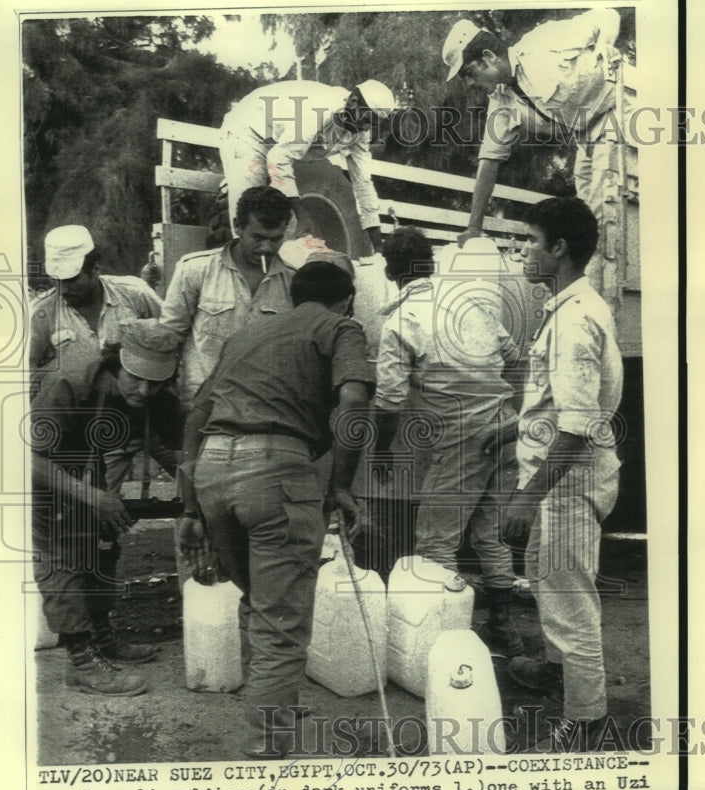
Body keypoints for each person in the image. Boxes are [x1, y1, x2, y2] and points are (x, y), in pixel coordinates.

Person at [179, 262, 374, 758]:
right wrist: (342, 484)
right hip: (276, 472)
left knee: (259, 598)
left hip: (213, 469)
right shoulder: (342, 327)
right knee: (280, 625)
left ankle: (272, 700)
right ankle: (266, 747)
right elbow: (354, 404)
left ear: (291, 297)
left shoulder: (248, 333)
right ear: (346, 300)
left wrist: (190, 506)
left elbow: (197, 414)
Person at [502, 197, 623, 750]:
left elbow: (575, 427)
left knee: (570, 601)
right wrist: (509, 435)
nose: (523, 250)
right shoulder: (570, 306)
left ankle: (588, 718)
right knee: (546, 581)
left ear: (559, 249)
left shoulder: (575, 319)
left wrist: (527, 499)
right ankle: (558, 672)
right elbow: (556, 407)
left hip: (566, 484)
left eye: (531, 240)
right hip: (559, 480)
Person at [370, 227, 524, 656]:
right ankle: (503, 626)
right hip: (506, 431)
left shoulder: (401, 321)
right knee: (491, 535)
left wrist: (381, 451)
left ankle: (446, 641)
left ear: (389, 272)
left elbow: (389, 401)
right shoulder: (468, 303)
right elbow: (515, 359)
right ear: (432, 264)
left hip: (461, 442)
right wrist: (508, 415)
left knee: (436, 542)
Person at [30, 320, 185, 696]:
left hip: (84, 459)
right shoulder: (71, 380)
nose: (144, 390)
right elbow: (27, 459)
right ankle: (81, 662)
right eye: (136, 379)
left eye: (155, 382)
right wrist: (93, 497)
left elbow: (165, 443)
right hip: (37, 461)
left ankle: (101, 637)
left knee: (102, 543)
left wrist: (191, 491)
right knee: (64, 554)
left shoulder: (155, 395)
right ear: (119, 364)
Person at [442, 10, 625, 285]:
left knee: (602, 217)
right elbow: (489, 159)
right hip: (586, 136)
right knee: (586, 222)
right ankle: (586, 294)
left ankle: (600, 303)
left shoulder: (542, 41)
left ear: (489, 58)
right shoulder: (501, 101)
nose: (469, 83)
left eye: (468, 73)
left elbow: (608, 16)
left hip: (619, 109)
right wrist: (474, 228)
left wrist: (605, 55)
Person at [219, 79, 395, 254]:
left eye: (372, 125)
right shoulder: (319, 108)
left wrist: (378, 247)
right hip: (249, 131)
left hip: (279, 143)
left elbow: (363, 183)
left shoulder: (360, 131)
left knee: (285, 226)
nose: (366, 129)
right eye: (366, 120)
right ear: (353, 102)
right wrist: (301, 215)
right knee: (251, 216)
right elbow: (278, 158)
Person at [160, 186, 296, 409]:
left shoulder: (293, 282)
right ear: (237, 227)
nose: (266, 248)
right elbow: (170, 337)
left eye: (276, 239)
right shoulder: (194, 269)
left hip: (263, 409)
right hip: (202, 408)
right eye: (258, 237)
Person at [29, 225, 163, 392]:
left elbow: (169, 336)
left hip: (136, 398)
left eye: (71, 280)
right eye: (55, 280)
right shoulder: (41, 312)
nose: (62, 290)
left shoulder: (135, 293)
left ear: (96, 269)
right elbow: (27, 372)